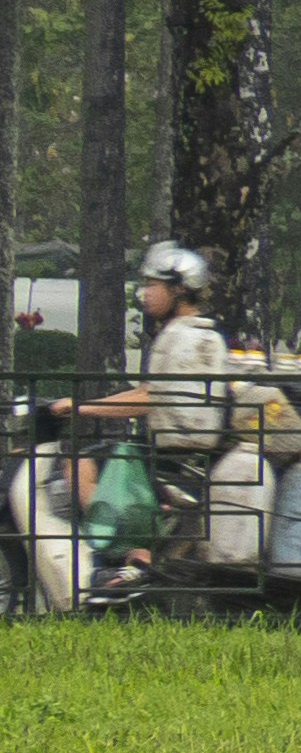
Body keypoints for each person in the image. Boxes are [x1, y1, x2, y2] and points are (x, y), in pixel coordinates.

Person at [64, 241, 236, 599]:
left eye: (152, 285)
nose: (145, 294)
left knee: (77, 460)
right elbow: (150, 391)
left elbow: (148, 398)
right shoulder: (206, 333)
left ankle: (128, 557)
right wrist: (86, 403)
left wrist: (79, 407)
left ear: (178, 289)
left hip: (170, 451)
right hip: (192, 448)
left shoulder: (177, 336)